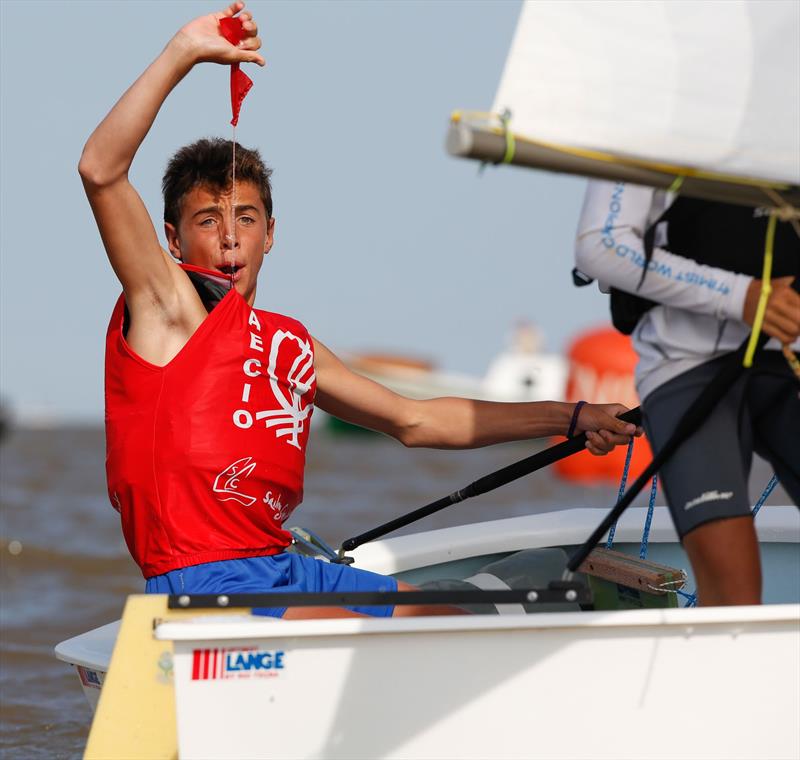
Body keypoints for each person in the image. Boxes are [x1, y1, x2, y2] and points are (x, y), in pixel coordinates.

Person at [80, 3, 639, 620]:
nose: (230, 238)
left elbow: (416, 421)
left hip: (285, 569)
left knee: (453, 622)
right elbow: (100, 170)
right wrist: (183, 51)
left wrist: (575, 415)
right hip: (206, 589)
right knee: (388, 637)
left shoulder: (287, 346)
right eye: (208, 222)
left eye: (246, 219)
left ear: (271, 233)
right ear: (174, 241)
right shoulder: (165, 310)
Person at [574, 179, 800, 606]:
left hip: (790, 361)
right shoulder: (656, 119)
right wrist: (740, 296)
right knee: (734, 593)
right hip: (686, 367)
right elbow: (600, 247)